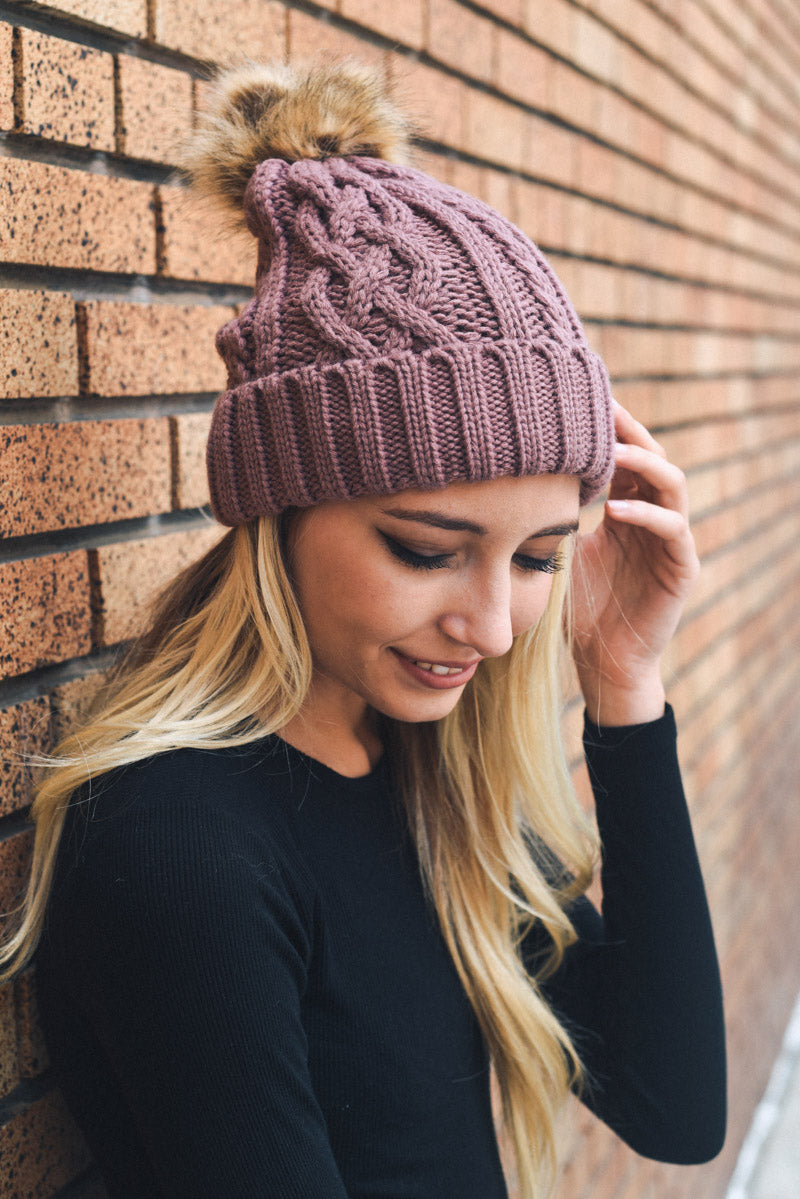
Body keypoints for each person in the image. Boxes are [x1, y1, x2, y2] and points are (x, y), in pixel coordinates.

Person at [1, 59, 725, 1199]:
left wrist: (621, 679)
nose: (489, 626)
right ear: (277, 508)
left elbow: (670, 1104)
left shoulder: (424, 768)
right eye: (424, 549)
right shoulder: (179, 846)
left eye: (536, 556)